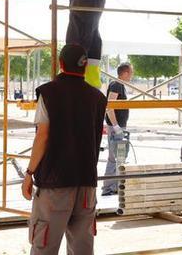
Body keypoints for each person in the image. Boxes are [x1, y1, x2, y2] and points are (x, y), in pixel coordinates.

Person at [22, 44, 108, 255]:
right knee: (82, 248)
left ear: (60, 64)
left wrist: (29, 173)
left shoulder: (49, 93)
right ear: (85, 66)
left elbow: (42, 136)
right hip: (86, 184)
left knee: (45, 246)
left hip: (55, 184)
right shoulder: (97, 98)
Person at [102, 62, 133, 196]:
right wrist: (115, 126)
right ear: (125, 73)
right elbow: (110, 106)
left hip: (118, 126)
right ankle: (108, 188)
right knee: (114, 158)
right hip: (116, 127)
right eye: (131, 73)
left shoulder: (120, 86)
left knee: (119, 157)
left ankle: (114, 187)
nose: (132, 75)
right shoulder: (116, 85)